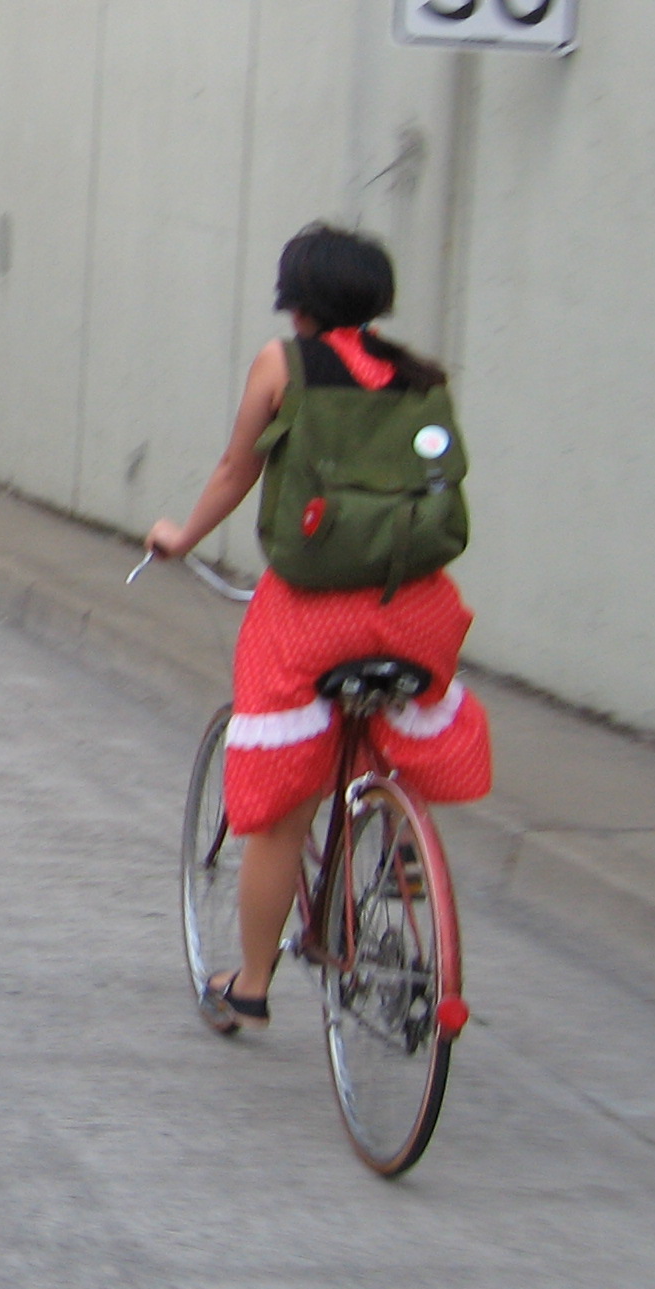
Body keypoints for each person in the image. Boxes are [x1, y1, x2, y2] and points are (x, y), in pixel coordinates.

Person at [144, 222, 493, 1030]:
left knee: (283, 810)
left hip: (312, 616)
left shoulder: (283, 365)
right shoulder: (421, 376)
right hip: (416, 608)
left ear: (295, 296)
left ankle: (251, 983)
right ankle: (398, 838)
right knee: (391, 718)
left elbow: (237, 469)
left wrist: (180, 537)